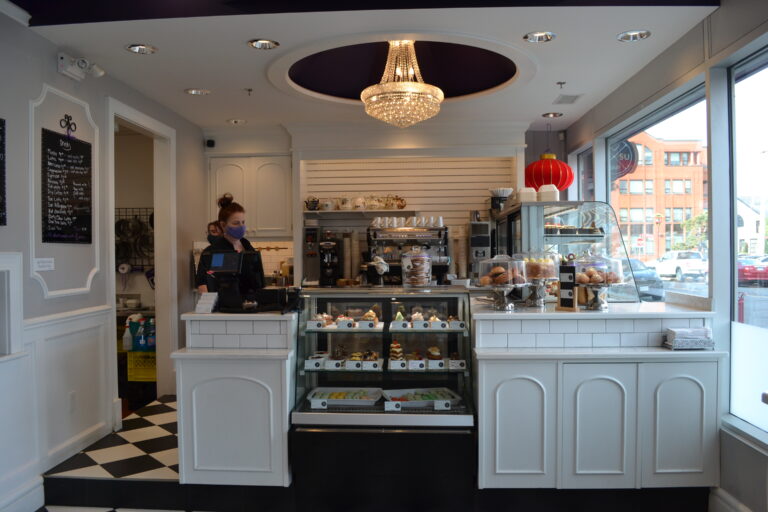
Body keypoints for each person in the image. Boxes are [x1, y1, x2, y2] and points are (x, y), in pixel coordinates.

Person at [196, 194, 264, 294]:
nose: (241, 226)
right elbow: (203, 284)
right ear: (223, 225)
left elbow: (257, 279)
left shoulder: (247, 246)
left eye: (243, 222)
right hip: (223, 302)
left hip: (249, 301)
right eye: (236, 223)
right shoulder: (215, 251)